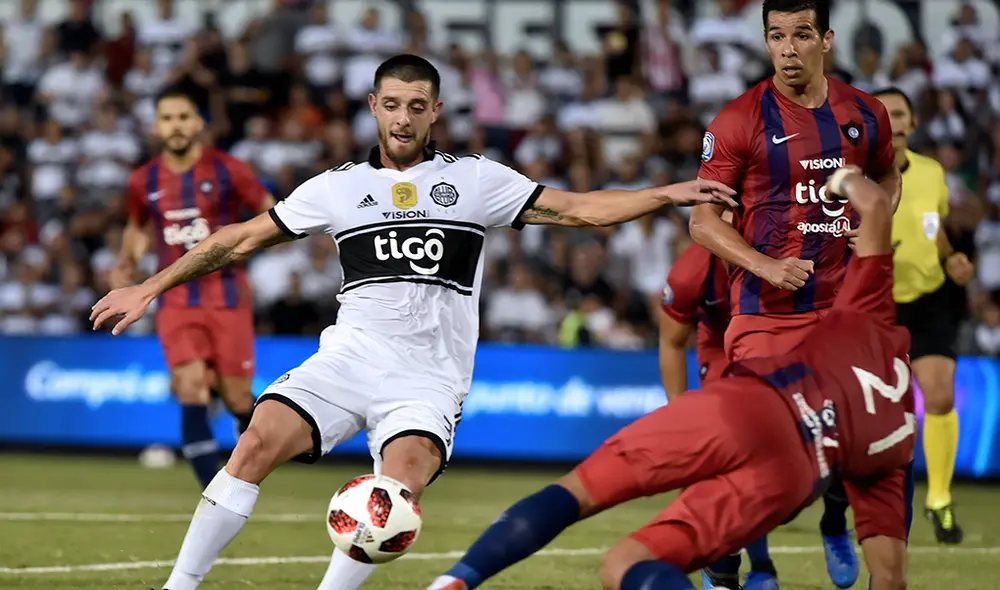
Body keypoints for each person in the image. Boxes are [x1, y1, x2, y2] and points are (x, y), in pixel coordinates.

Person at [90, 54, 737, 590]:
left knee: (393, 492)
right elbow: (237, 239)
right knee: (254, 441)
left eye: (416, 105)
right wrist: (149, 285)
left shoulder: (478, 180)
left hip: (428, 378)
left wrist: (665, 193)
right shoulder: (336, 187)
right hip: (349, 357)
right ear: (373, 106)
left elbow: (579, 210)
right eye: (392, 104)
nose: (403, 117)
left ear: (436, 112)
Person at [427, 164, 914, 590]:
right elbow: (890, 576)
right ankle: (791, 549)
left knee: (577, 492)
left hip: (749, 405)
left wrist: (836, 182)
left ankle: (456, 580)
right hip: (795, 470)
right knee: (625, 564)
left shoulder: (870, 309)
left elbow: (873, 202)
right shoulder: (899, 448)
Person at [688, 1, 902, 586]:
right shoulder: (737, 119)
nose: (788, 48)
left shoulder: (866, 113)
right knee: (762, 455)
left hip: (844, 318)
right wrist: (765, 264)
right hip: (765, 319)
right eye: (776, 36)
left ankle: (836, 521)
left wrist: (875, 225)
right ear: (764, 42)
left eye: (801, 35)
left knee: (860, 452)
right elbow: (703, 223)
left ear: (826, 39)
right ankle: (725, 562)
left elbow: (888, 174)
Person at [113, 88, 274, 490]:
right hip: (176, 298)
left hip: (228, 295)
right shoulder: (143, 180)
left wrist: (245, 245)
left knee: (238, 399)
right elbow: (137, 227)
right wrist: (126, 263)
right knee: (191, 386)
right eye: (167, 118)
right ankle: (213, 492)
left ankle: (252, 462)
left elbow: (270, 210)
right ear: (156, 126)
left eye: (184, 116)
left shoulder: (228, 170)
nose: (176, 125)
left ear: (199, 122)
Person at [874, 86, 974, 544]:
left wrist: (952, 258)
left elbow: (935, 232)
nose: (892, 122)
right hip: (875, 304)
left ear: (913, 124)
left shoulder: (933, 173)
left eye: (900, 114)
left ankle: (939, 498)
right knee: (877, 415)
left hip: (930, 299)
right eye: (883, 114)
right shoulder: (853, 175)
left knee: (939, 398)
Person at [658, 239, 729, 400]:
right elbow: (672, 343)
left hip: (777, 336)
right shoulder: (688, 275)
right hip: (720, 345)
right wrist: (677, 413)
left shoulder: (785, 249)